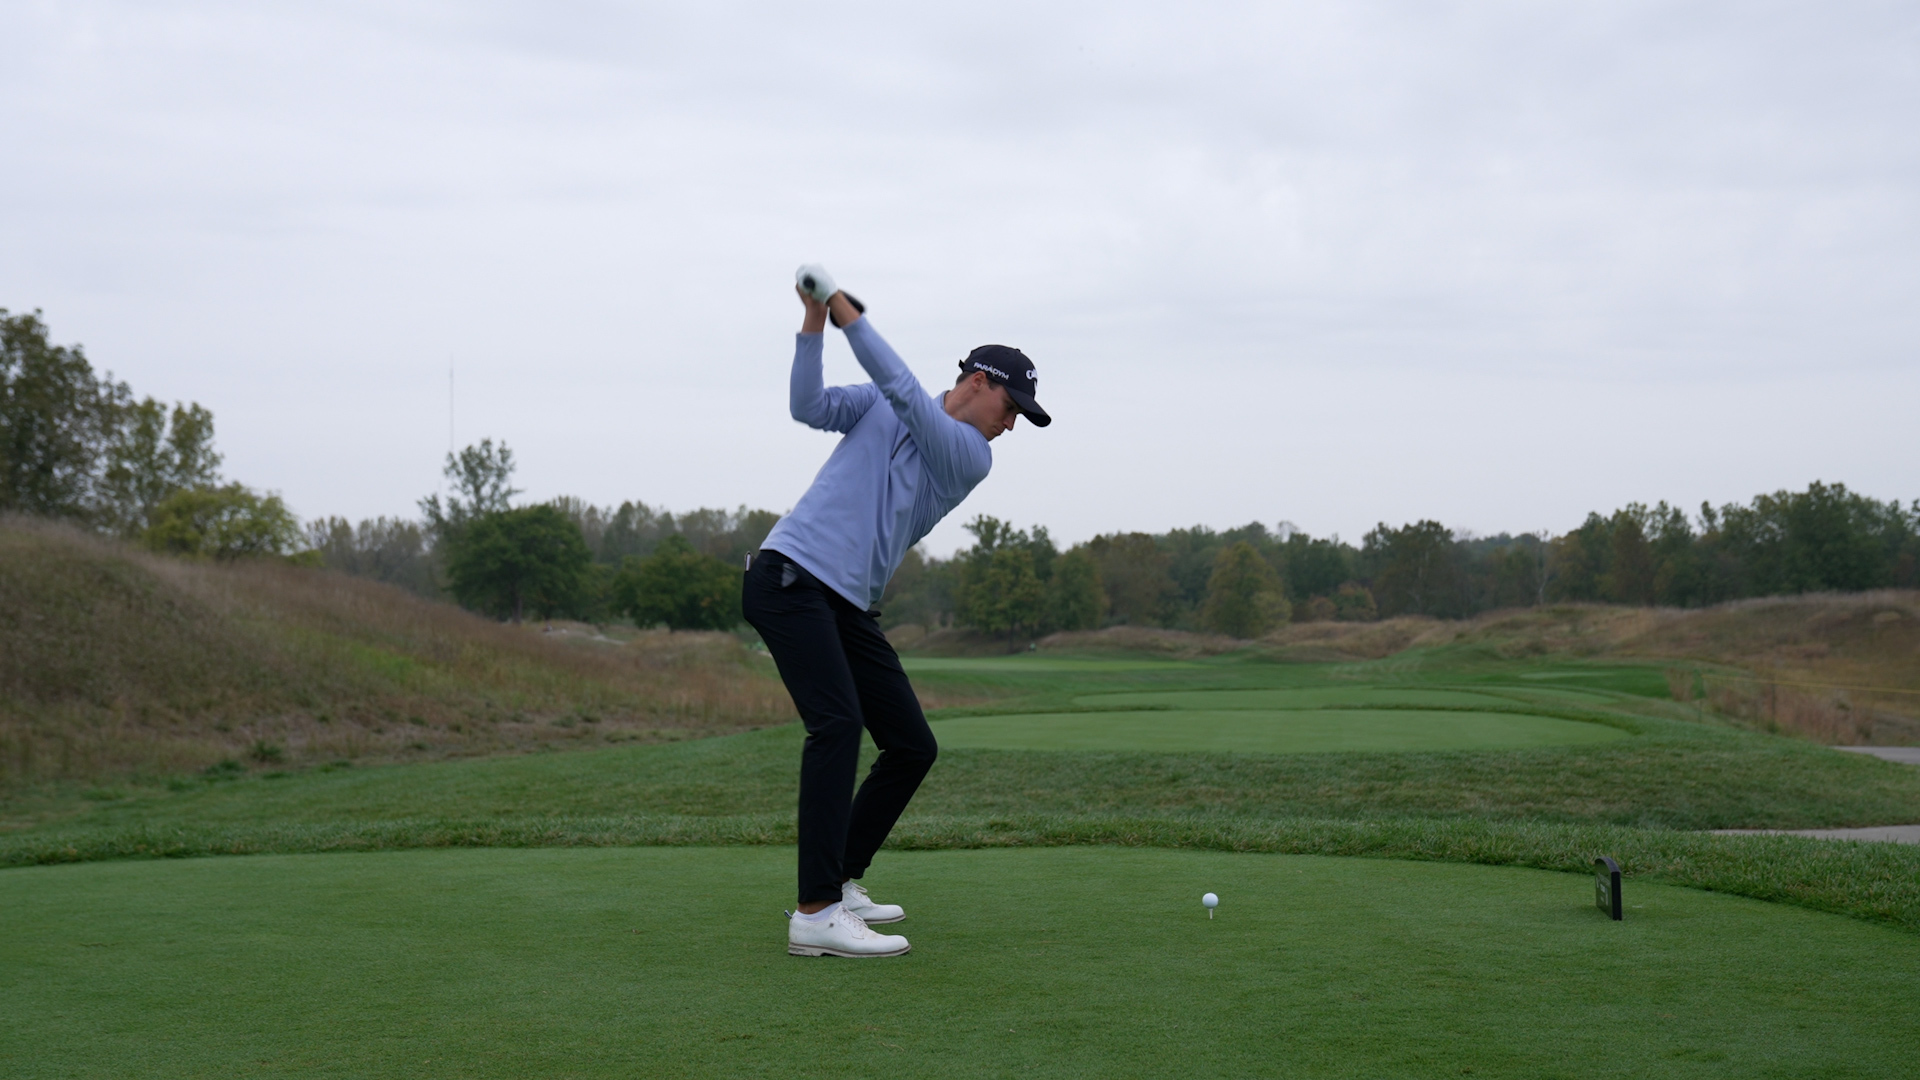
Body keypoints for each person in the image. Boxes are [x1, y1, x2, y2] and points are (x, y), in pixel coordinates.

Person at [745, 265, 1051, 958]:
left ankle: (840, 878)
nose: (1012, 425)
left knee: (912, 744)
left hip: (845, 599)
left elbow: (907, 396)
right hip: (790, 575)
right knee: (838, 724)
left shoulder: (970, 455)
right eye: (1013, 408)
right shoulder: (890, 406)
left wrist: (848, 311)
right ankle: (816, 911)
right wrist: (817, 320)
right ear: (979, 382)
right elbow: (809, 407)